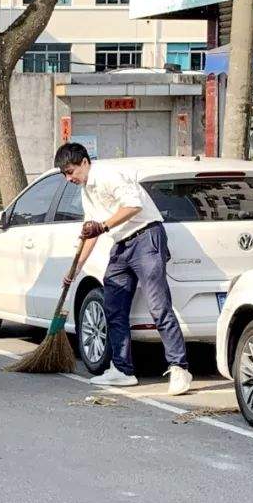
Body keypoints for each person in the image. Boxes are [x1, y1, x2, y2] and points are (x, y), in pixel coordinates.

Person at [54, 142, 193, 396]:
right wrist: (75, 269)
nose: (68, 178)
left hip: (146, 238)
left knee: (158, 306)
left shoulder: (108, 175)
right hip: (121, 245)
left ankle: (179, 368)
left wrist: (103, 226)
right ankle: (122, 370)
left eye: (71, 171)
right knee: (113, 306)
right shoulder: (86, 191)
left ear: (85, 162)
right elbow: (90, 231)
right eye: (65, 174)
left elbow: (133, 206)